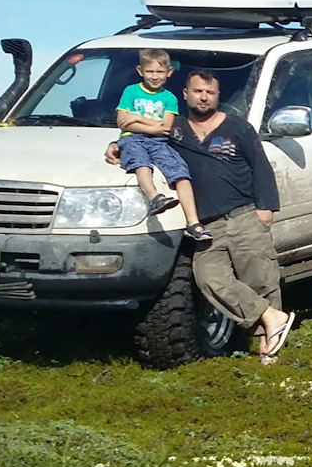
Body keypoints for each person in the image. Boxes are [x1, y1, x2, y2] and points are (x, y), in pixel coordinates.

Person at [109, 70, 296, 364]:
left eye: (210, 92)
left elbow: (261, 167)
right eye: (198, 91)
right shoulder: (175, 130)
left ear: (218, 96)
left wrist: (266, 209)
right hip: (206, 225)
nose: (204, 97)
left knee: (261, 280)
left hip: (245, 215)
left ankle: (268, 350)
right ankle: (271, 317)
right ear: (185, 94)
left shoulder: (238, 127)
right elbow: (142, 140)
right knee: (209, 279)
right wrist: (118, 145)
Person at [114, 49, 211, 242]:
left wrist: (137, 119)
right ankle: (154, 197)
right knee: (141, 163)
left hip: (159, 142)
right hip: (131, 138)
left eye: (159, 72)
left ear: (169, 73)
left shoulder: (169, 98)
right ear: (140, 71)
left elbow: (166, 128)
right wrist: (152, 127)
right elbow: (122, 122)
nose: (155, 76)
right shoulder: (131, 91)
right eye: (150, 72)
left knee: (180, 172)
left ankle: (193, 222)